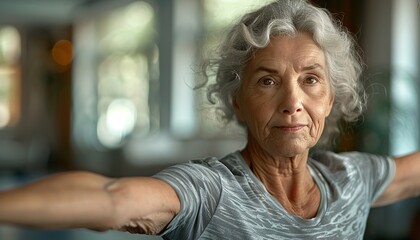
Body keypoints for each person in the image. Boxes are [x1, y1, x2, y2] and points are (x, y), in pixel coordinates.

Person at [0, 0, 419, 239]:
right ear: (236, 100)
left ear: (330, 98)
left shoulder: (350, 180)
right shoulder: (212, 191)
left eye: (311, 80)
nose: (293, 101)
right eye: (268, 81)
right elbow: (114, 198)